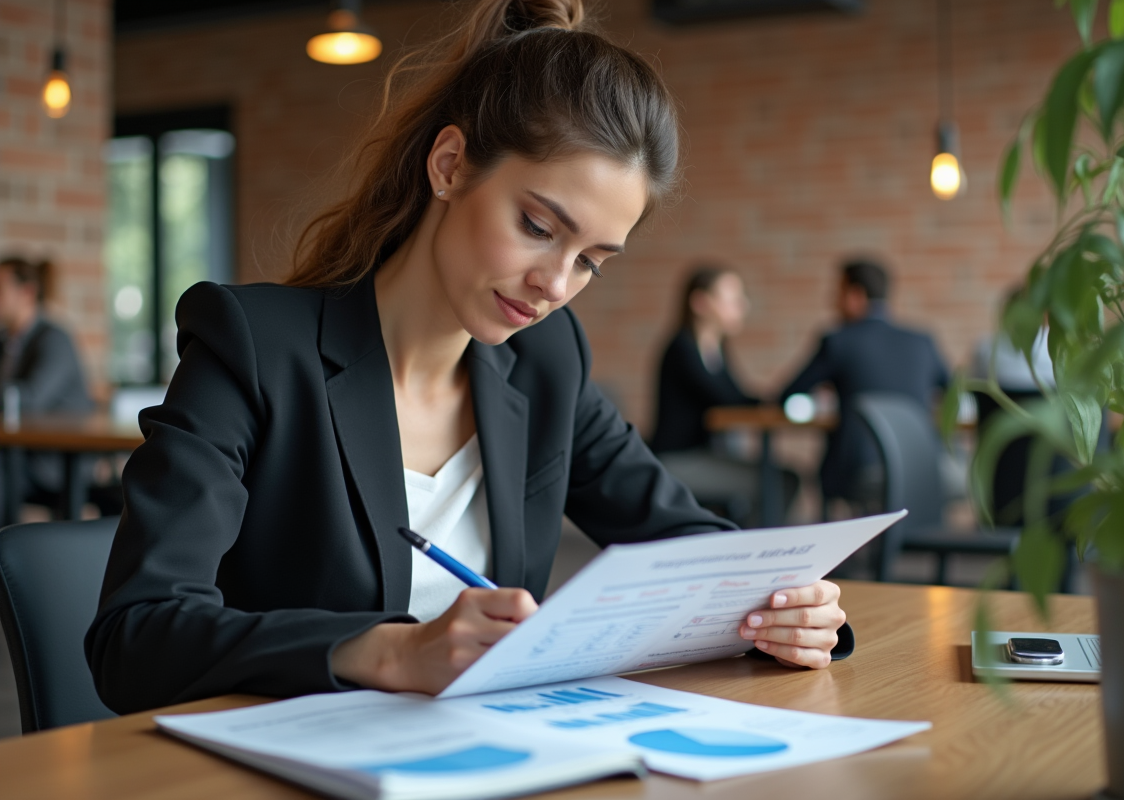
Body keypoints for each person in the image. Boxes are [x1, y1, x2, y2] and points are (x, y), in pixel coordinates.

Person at [86, 0, 849, 715]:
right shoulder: (254, 345)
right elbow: (137, 635)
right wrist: (385, 651)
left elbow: (681, 536)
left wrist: (788, 605)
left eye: (591, 261)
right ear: (450, 165)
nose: (554, 284)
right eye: (538, 225)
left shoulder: (545, 360)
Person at [780, 259, 949, 511]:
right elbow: (955, 394)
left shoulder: (838, 341)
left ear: (855, 295)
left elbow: (787, 395)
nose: (833, 301)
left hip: (858, 469)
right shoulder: (922, 341)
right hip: (924, 465)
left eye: (837, 292)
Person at [650, 265, 797, 524]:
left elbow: (736, 396)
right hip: (680, 459)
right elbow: (728, 400)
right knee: (781, 480)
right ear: (701, 302)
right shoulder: (683, 349)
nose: (743, 306)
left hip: (705, 453)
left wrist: (771, 401)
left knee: (782, 477)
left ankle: (746, 544)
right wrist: (775, 402)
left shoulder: (715, 349)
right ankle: (752, 550)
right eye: (732, 300)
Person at [0, 256, 94, 515]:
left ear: (27, 292)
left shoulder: (54, 339)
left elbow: (31, 398)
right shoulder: (6, 341)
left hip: (55, 461)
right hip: (18, 455)